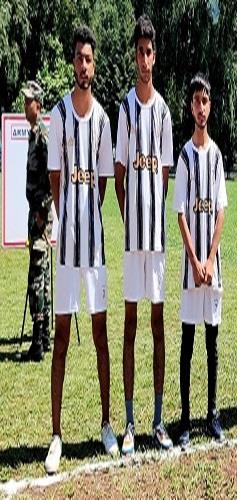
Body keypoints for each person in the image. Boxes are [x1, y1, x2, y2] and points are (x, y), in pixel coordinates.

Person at [45, 26, 118, 474]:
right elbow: (56, 178)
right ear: (72, 62)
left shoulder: (104, 121)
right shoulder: (57, 115)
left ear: (95, 64)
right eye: (78, 58)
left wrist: (87, 215)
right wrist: (69, 217)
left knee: (99, 335)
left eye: (89, 59)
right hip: (67, 250)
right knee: (60, 340)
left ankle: (106, 423)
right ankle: (56, 435)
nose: (83, 65)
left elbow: (104, 183)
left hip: (95, 251)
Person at [115, 14, 174, 454]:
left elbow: (164, 175)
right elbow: (119, 175)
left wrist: (151, 216)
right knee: (130, 325)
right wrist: (131, 218)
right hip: (133, 240)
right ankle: (130, 421)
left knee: (157, 324)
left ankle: (156, 419)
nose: (144, 59)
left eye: (149, 52)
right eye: (139, 51)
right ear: (134, 56)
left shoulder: (165, 112)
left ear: (156, 56)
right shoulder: (124, 110)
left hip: (157, 242)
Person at [173, 73, 227, 449]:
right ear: (190, 107)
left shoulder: (217, 156)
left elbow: (221, 211)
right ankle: (186, 419)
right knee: (188, 341)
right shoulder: (185, 157)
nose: (201, 107)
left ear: (211, 106)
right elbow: (180, 213)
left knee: (212, 340)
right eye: (196, 101)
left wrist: (209, 259)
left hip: (212, 267)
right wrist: (195, 261)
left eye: (205, 100)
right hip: (193, 270)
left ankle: (212, 414)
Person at [22, 80, 53, 362]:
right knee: (41, 273)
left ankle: (38, 340)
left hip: (41, 216)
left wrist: (42, 212)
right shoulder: (35, 134)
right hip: (36, 215)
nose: (25, 105)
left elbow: (53, 176)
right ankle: (43, 336)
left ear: (38, 105)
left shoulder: (43, 135)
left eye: (29, 100)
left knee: (37, 274)